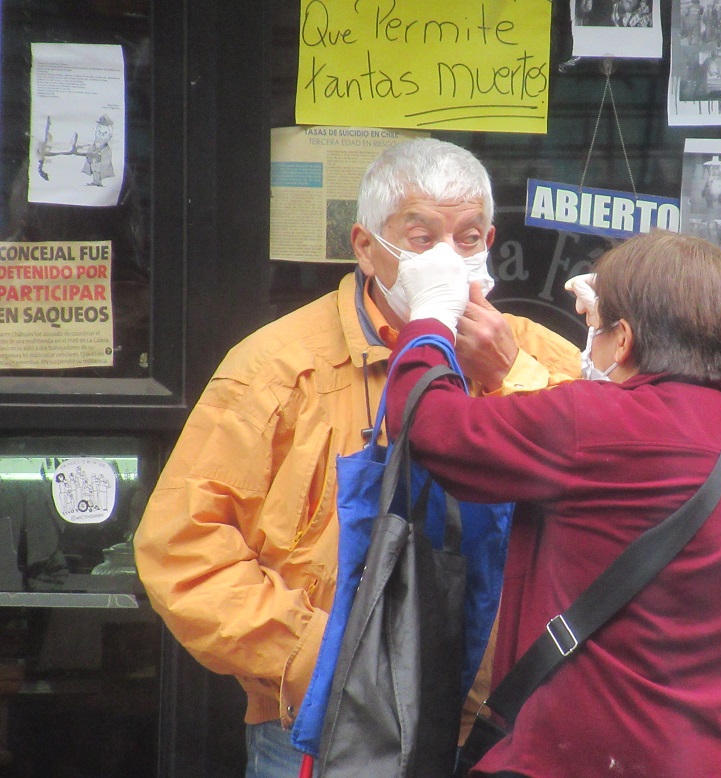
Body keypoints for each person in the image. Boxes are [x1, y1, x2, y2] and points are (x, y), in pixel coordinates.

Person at [132, 137, 581, 777]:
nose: (447, 260)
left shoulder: (537, 356)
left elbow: (607, 490)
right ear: (366, 247)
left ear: (489, 242)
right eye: (422, 239)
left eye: (466, 238)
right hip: (326, 727)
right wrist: (325, 660)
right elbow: (181, 546)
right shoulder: (278, 368)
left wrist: (510, 374)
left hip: (502, 726)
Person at [385, 230, 721, 777]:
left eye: (597, 331)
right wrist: (640, 305)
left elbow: (425, 423)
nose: (588, 345)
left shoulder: (594, 423)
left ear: (623, 341)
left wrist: (431, 314)